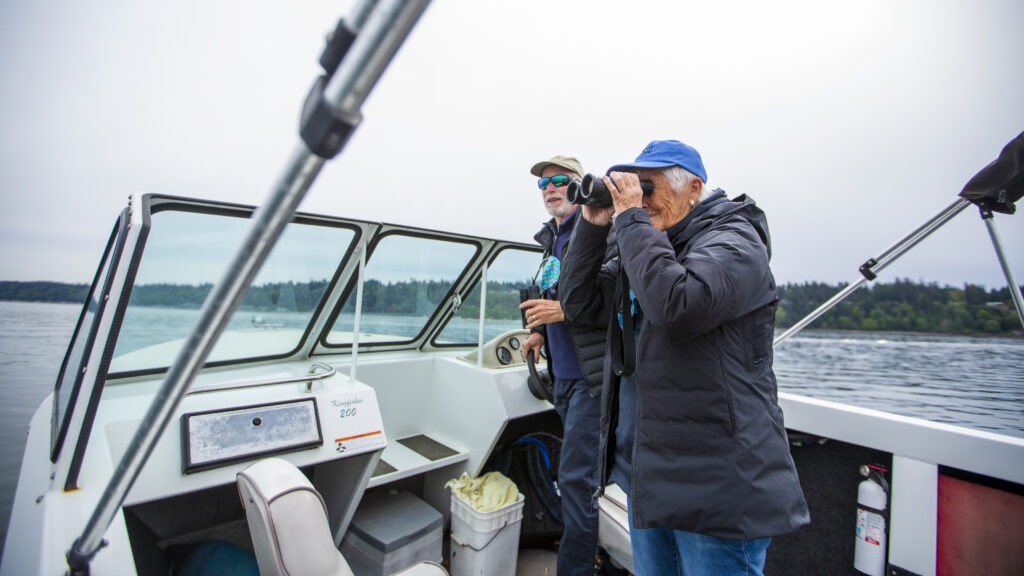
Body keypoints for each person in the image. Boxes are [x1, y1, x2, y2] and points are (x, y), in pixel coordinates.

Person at [559, 140, 810, 575]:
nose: (638, 200)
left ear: (694, 188)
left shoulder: (734, 240)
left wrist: (632, 221)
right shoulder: (646, 245)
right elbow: (579, 305)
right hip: (652, 478)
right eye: (633, 189)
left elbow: (678, 308)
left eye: (649, 188)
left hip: (717, 489)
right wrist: (595, 225)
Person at [519, 154, 608, 576]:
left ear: (579, 186)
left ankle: (576, 570)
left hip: (591, 379)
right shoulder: (551, 239)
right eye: (543, 184)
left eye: (559, 180)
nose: (550, 188)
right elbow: (553, 297)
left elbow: (614, 302)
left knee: (576, 480)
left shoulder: (597, 231)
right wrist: (539, 333)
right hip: (564, 377)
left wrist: (562, 313)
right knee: (574, 476)